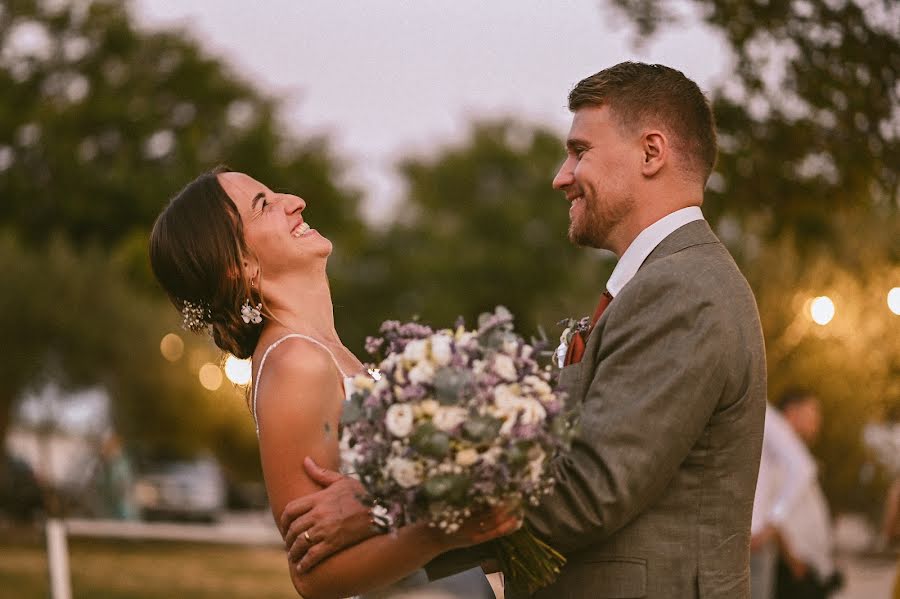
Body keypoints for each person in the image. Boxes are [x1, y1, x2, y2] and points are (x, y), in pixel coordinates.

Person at [281, 61, 768, 598]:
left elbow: (587, 491)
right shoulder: (661, 282)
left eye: (580, 151)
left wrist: (384, 504)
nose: (561, 175)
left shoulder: (684, 289)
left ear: (652, 153)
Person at [148, 168, 516, 598]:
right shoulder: (294, 362)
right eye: (263, 205)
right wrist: (437, 532)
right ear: (238, 266)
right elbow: (313, 575)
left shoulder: (322, 353)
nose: (295, 200)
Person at [771, 389, 843, 599]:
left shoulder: (794, 452)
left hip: (808, 571)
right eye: (812, 412)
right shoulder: (777, 453)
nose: (817, 420)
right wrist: (793, 560)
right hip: (792, 572)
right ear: (792, 412)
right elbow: (771, 509)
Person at [749, 402, 817, 599]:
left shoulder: (763, 413)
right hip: (745, 539)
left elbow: (803, 469)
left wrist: (772, 522)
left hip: (753, 543)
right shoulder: (758, 410)